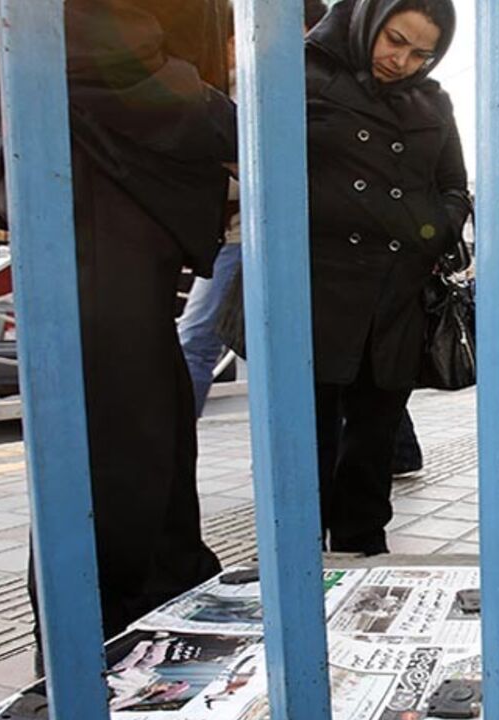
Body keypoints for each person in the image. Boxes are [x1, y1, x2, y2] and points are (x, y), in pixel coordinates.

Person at [0, 0, 233, 648]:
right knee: (115, 445)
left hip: (111, 172)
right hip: (92, 168)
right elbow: (100, 49)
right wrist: (226, 111)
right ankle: (97, 654)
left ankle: (147, 624)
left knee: (145, 432)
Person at [304, 0, 470, 554]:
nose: (402, 61)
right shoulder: (300, 73)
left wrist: (434, 232)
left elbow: (453, 185)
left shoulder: (432, 99)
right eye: (394, 40)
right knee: (309, 434)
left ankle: (363, 546)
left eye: (422, 53)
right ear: (366, 22)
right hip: (318, 284)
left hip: (397, 288)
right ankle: (299, 556)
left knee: (376, 433)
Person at [178, 0, 328, 418]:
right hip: (237, 233)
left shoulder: (280, 86)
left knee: (198, 340)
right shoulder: (216, 85)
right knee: (297, 344)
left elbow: (283, 171)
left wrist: (233, 160)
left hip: (252, 233)